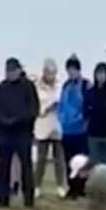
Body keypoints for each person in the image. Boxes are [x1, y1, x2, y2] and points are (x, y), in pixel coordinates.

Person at [0, 57, 39, 209]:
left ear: (19, 70)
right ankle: (2, 199)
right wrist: (4, 121)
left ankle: (28, 200)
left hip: (22, 132)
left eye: (13, 71)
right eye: (8, 71)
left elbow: (33, 109)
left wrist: (18, 120)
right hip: (4, 133)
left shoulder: (28, 86)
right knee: (3, 167)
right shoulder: (1, 88)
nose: (10, 74)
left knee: (26, 166)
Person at [31, 58, 64, 196]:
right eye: (49, 72)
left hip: (56, 125)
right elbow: (35, 105)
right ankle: (37, 186)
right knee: (41, 158)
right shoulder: (36, 86)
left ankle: (61, 186)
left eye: (53, 73)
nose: (51, 76)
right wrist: (45, 109)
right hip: (42, 125)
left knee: (59, 158)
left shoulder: (59, 86)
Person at [57, 55, 90, 196]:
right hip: (67, 130)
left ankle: (81, 188)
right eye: (69, 70)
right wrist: (61, 118)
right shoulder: (66, 85)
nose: (71, 73)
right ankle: (72, 187)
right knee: (68, 160)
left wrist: (84, 120)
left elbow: (89, 106)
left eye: (73, 70)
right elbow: (61, 105)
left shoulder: (85, 85)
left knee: (80, 161)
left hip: (81, 130)